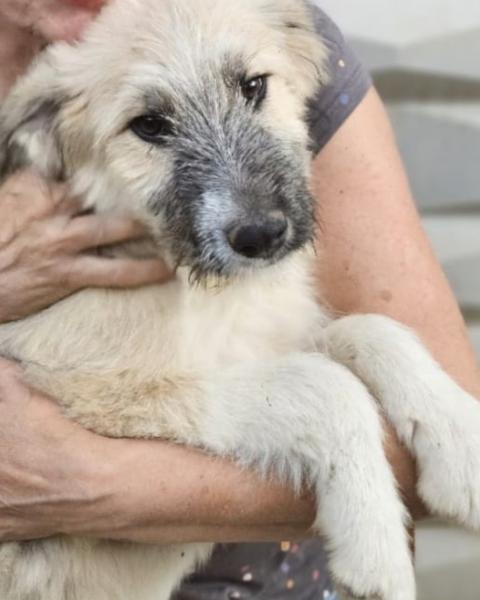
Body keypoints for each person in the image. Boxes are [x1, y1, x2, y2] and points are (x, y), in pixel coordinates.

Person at [0, 1, 479, 598]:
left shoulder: (261, 17)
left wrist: (80, 482)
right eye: (151, 126)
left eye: (252, 88)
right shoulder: (61, 112)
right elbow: (113, 397)